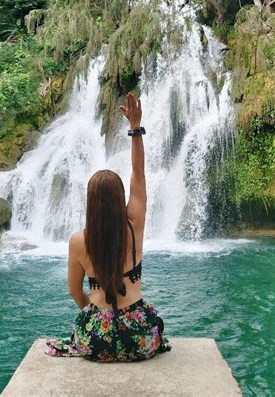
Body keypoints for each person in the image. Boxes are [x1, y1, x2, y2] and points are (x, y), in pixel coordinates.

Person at [45, 92, 171, 362]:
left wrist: (95, 316)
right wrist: (135, 129)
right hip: (139, 337)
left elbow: (74, 291)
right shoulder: (134, 225)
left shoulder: (79, 241)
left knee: (87, 328)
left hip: (96, 339)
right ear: (120, 198)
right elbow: (139, 173)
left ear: (90, 203)